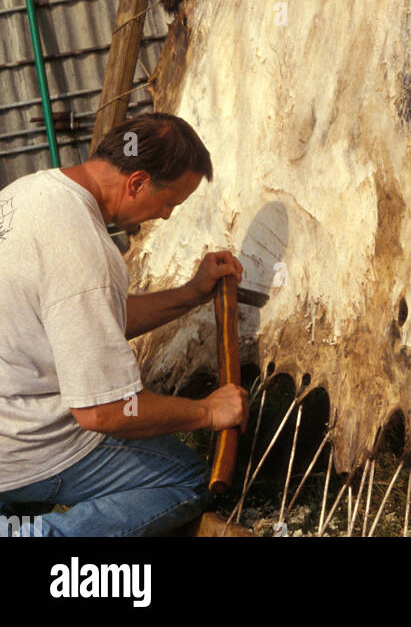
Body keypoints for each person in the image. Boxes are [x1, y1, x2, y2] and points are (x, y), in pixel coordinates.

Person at [0, 112, 247, 537]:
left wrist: (191, 293)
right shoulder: (85, 249)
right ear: (137, 182)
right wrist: (206, 411)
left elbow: (87, 320)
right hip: (22, 447)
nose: (166, 216)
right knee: (183, 477)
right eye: (169, 202)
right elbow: (105, 412)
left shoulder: (28, 193)